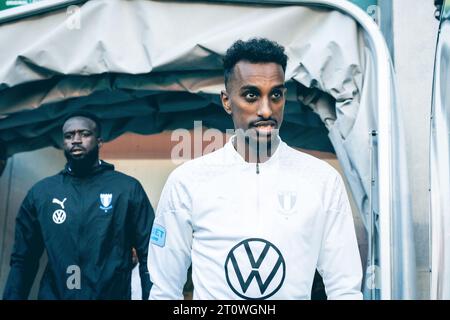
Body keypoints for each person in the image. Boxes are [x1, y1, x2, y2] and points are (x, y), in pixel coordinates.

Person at [147, 38, 362, 299]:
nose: (265, 109)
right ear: (227, 101)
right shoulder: (188, 181)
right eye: (251, 95)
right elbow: (165, 289)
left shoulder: (322, 181)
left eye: (276, 95)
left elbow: (345, 289)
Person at [3, 112, 154, 300]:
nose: (76, 140)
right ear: (63, 143)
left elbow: (150, 255)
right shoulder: (42, 193)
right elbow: (23, 260)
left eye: (84, 134)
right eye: (69, 136)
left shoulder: (127, 189)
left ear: (99, 141)